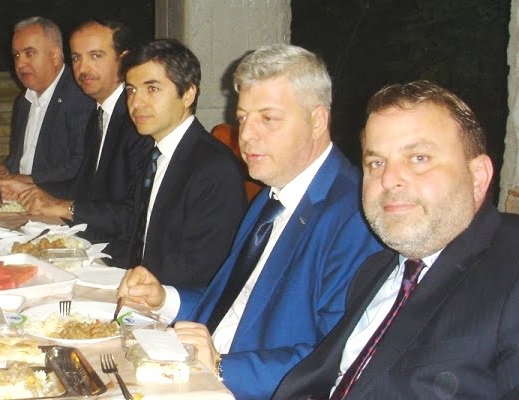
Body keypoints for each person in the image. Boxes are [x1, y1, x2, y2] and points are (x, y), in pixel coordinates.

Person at [117, 44, 382, 399]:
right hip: (195, 375)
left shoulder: (355, 216)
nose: (246, 135)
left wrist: (220, 366)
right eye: (243, 118)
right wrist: (164, 298)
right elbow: (229, 302)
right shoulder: (270, 198)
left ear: (317, 120)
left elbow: (337, 358)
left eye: (268, 119)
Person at [274, 81, 519, 399]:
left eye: (419, 158)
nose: (389, 179)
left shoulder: (510, 268)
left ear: (477, 177)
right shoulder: (375, 270)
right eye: (376, 163)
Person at [0, 19, 152, 267]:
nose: (83, 68)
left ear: (124, 61)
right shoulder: (99, 115)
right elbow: (83, 187)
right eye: (77, 58)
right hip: (90, 243)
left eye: (96, 56)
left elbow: (134, 216)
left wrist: (62, 206)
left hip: (124, 262)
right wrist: (29, 190)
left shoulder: (139, 121)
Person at [118, 39, 246, 286]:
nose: (136, 103)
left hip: (175, 300)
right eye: (131, 90)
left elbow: (203, 270)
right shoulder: (153, 153)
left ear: (187, 94)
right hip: (139, 286)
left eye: (152, 89)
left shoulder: (214, 168)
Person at [0, 16, 95, 198]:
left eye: (29, 53)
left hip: (59, 203)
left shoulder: (80, 96)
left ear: (54, 56)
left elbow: (80, 165)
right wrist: (4, 169)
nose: (20, 63)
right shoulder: (23, 101)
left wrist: (27, 180)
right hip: (19, 199)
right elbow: (22, 158)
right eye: (16, 55)